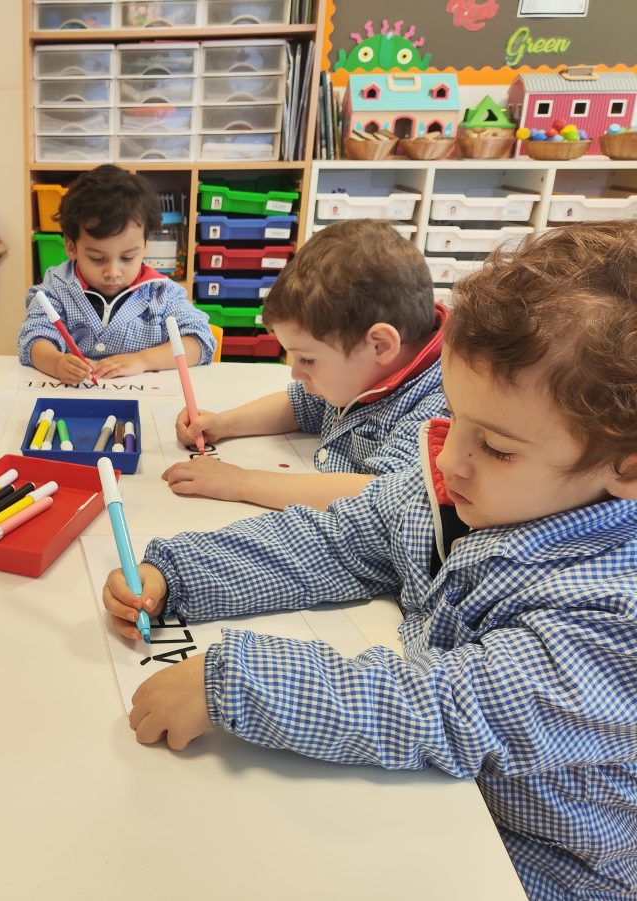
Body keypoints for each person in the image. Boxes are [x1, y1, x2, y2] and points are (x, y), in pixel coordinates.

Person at [102, 222, 637, 900]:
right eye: (453, 418)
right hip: (429, 803)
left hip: (539, 864)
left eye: (498, 448)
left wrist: (237, 679)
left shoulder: (617, 609)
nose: (449, 458)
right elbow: (341, 537)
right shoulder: (463, 482)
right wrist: (181, 573)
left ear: (624, 467)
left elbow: (446, 706)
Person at [164, 219, 446, 511]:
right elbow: (301, 405)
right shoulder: (362, 372)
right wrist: (223, 424)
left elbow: (377, 495)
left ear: (381, 346)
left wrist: (239, 482)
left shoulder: (440, 409)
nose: (296, 373)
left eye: (307, 359)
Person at [17, 164, 216, 383]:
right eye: (97, 258)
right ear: (71, 247)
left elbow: (200, 341)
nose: (113, 272)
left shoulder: (161, 293)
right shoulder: (56, 288)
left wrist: (143, 360)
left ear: (145, 246)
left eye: (128, 257)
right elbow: (32, 339)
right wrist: (56, 363)